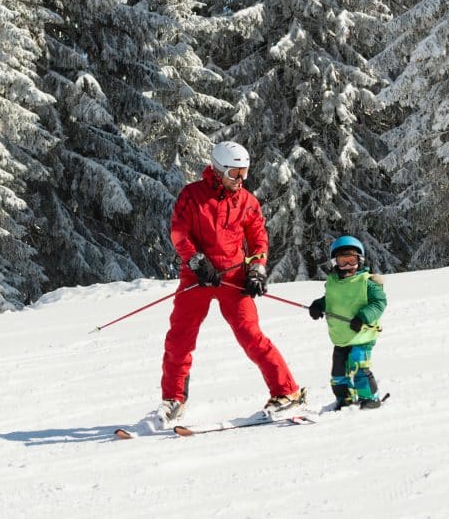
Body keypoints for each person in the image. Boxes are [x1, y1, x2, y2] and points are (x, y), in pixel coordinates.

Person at [156, 140, 304, 426]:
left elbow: (258, 237)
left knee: (250, 335)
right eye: (235, 173)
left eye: (244, 173)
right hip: (198, 276)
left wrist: (257, 270)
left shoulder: (247, 201)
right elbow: (179, 233)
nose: (241, 179)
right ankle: (173, 400)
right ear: (218, 169)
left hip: (233, 276)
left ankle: (287, 392)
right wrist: (197, 260)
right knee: (179, 338)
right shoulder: (192, 195)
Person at [308, 235, 387, 410]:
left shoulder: (367, 282)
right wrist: (318, 305)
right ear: (335, 262)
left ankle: (370, 398)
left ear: (360, 260)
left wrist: (363, 317)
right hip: (341, 336)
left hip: (362, 335)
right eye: (343, 262)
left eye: (351, 261)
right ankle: (345, 399)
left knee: (359, 367)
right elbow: (331, 300)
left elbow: (379, 303)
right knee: (338, 372)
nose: (347, 267)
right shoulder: (333, 283)